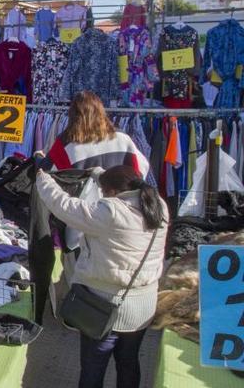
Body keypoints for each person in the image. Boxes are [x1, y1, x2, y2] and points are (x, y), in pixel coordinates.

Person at [35, 165, 167, 388]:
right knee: (129, 362)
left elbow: (64, 205)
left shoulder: (111, 211)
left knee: (93, 368)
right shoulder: (157, 204)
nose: (102, 195)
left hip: (105, 305)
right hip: (144, 305)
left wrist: (42, 177)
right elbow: (118, 185)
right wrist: (97, 174)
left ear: (112, 192)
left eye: (104, 191)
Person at [44, 91, 149, 175]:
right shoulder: (123, 138)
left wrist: (39, 157)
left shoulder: (65, 144)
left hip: (84, 201)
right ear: (101, 111)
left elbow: (46, 175)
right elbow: (142, 168)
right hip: (120, 200)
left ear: (72, 114)